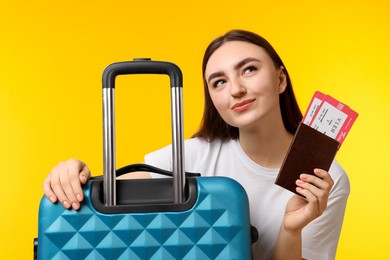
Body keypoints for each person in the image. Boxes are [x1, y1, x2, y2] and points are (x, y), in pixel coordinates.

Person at [43, 29, 350, 259]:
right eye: (219, 82)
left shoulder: (325, 179)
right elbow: (108, 193)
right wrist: (74, 173)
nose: (236, 90)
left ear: (280, 79)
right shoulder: (194, 154)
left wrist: (291, 228)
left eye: (249, 69)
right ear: (212, 98)